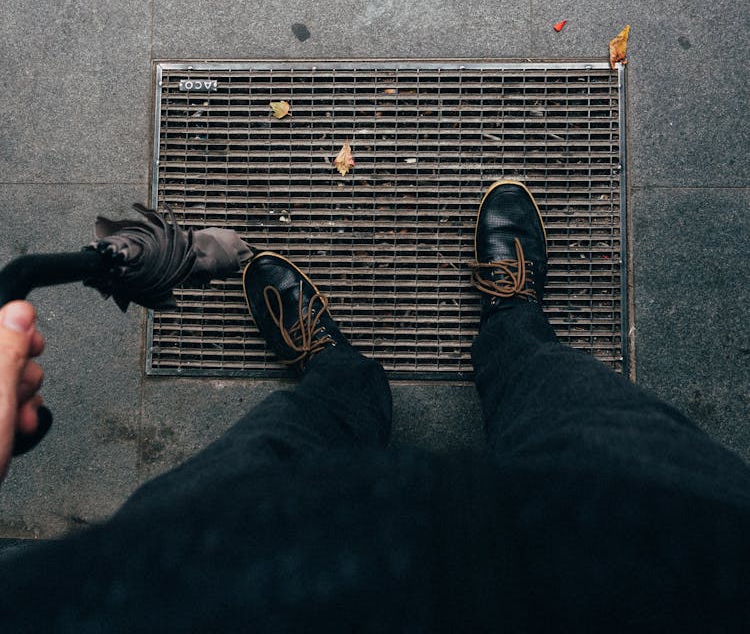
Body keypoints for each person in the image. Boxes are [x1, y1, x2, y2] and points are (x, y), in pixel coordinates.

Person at [0, 180, 748, 632]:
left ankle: (339, 374)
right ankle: (513, 328)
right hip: (669, 566)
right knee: (586, 417)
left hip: (196, 593)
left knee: (279, 450)